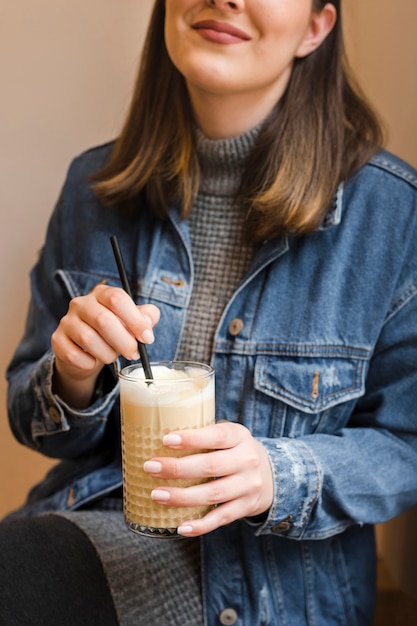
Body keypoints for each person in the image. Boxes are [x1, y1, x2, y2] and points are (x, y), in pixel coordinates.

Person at [1, 0, 417, 624]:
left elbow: (405, 442)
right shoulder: (94, 187)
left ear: (316, 26)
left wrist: (279, 475)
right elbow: (30, 424)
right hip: (87, 537)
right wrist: (72, 373)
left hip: (273, 590)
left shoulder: (389, 213)